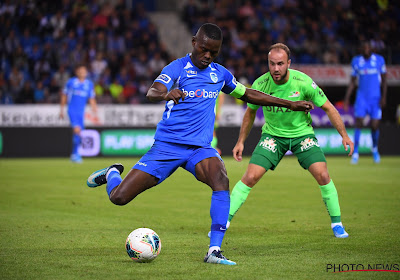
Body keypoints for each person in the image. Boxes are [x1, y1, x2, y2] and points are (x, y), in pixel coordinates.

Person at [86, 24, 312, 266]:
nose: (208, 56)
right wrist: (166, 94)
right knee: (119, 198)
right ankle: (112, 173)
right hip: (166, 147)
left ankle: (214, 250)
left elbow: (248, 94)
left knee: (221, 179)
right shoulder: (177, 67)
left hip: (199, 149)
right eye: (204, 50)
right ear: (194, 42)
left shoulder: (220, 74)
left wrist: (290, 104)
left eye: (214, 53)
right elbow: (153, 91)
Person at [227, 43, 354, 239]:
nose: (275, 69)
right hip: (273, 137)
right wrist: (240, 141)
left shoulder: (303, 82)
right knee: (250, 177)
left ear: (288, 63)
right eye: (271, 64)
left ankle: (337, 224)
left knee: (322, 174)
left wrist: (344, 135)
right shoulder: (260, 85)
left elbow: (329, 107)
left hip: (302, 135)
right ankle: (223, 223)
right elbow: (250, 112)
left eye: (280, 64)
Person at [344, 41, 387, 164]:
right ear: (361, 50)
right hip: (361, 98)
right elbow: (352, 82)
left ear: (372, 49)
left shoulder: (379, 60)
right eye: (363, 48)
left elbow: (384, 80)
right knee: (359, 123)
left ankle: (374, 149)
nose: (366, 50)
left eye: (368, 48)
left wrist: (384, 97)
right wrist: (347, 98)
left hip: (375, 98)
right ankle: (356, 152)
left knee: (374, 125)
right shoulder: (356, 61)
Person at [60, 64, 97, 163]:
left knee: (79, 134)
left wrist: (94, 109)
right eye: (80, 71)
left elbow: (91, 98)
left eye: (84, 71)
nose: (82, 73)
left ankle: (74, 154)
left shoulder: (89, 84)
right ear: (77, 72)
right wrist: (61, 110)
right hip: (72, 111)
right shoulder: (71, 82)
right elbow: (64, 95)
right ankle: (75, 154)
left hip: (81, 113)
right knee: (77, 130)